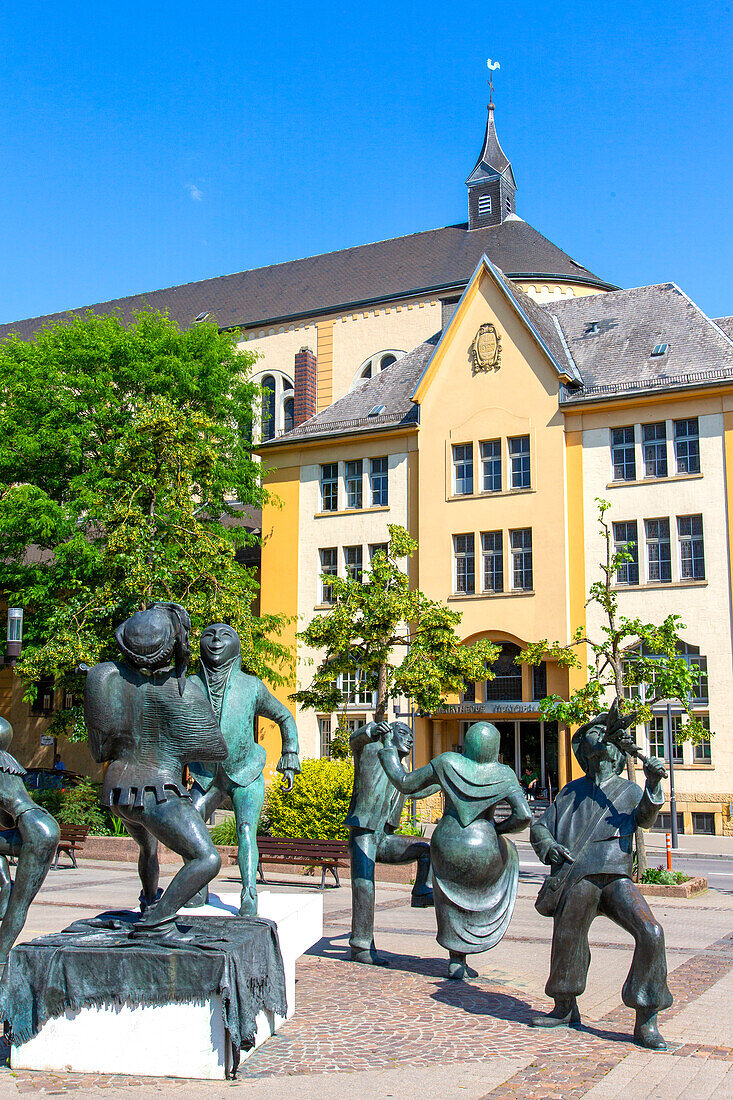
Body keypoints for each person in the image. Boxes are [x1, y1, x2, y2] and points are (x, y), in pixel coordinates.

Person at [529, 705, 672, 1050]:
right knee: (568, 937)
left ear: (617, 752)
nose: (599, 735)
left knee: (651, 932)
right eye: (592, 733)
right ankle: (564, 1007)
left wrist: (652, 782)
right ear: (585, 751)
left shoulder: (627, 789)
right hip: (578, 876)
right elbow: (539, 826)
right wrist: (548, 846)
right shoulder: (570, 792)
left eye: (603, 733)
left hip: (616, 877)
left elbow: (645, 817)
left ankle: (646, 1016)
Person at [85, 602, 228, 928]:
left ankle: (148, 898)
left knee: (148, 848)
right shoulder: (186, 692)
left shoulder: (103, 679)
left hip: (117, 793)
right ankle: (157, 918)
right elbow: (214, 750)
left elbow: (99, 750)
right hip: (157, 793)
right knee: (206, 859)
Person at [379, 721, 531, 979]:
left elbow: (404, 783)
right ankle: (467, 952)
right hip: (485, 844)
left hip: (447, 843)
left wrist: (387, 751)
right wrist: (497, 831)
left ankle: (456, 959)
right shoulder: (505, 774)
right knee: (501, 863)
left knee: (449, 898)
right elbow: (524, 816)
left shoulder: (447, 762)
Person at [188, 623, 301, 916]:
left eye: (224, 636)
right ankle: (198, 887)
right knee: (189, 825)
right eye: (208, 635)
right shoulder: (189, 685)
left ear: (236, 647)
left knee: (246, 830)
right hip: (206, 774)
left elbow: (285, 716)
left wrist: (289, 756)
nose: (215, 640)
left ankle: (249, 892)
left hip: (246, 771)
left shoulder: (252, 686)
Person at [346, 720, 433, 965]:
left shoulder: (399, 769)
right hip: (363, 832)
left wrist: (442, 782)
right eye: (404, 733)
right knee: (365, 886)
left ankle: (421, 891)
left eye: (412, 736)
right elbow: (354, 741)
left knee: (426, 849)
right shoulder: (371, 750)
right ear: (390, 733)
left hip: (383, 837)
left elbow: (413, 790)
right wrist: (371, 730)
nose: (411, 740)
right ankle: (361, 946)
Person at [0, 715, 60, 979]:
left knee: (18, 906)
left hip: (34, 832)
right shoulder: (7, 764)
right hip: (44, 825)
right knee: (19, 903)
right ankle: (3, 898)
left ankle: (0, 961)